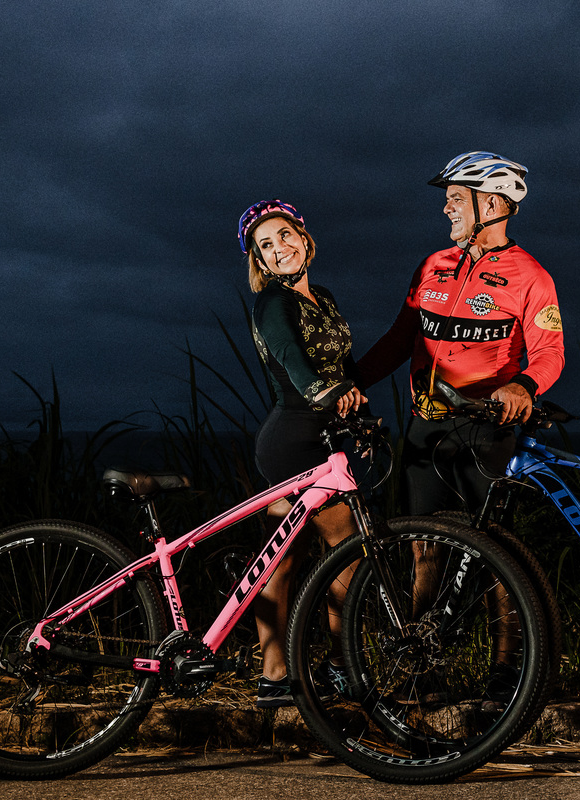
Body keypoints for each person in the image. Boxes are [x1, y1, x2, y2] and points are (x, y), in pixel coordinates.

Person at [356, 151, 564, 517]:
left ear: (492, 203)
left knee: (488, 554)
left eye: (455, 198)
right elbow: (400, 339)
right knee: (422, 547)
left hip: (485, 430)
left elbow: (550, 352)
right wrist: (352, 382)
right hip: (425, 426)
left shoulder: (531, 277)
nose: (446, 208)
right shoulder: (433, 265)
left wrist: (523, 387)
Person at [237, 199, 365, 708]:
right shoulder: (272, 304)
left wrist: (357, 400)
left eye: (284, 235)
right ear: (260, 262)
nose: (278, 248)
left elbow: (346, 365)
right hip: (292, 441)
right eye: (265, 246)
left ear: (305, 238)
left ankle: (314, 669)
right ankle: (303, 671)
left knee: (314, 559)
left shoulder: (324, 297)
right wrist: (326, 394)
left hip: (333, 439)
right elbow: (293, 360)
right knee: (315, 557)